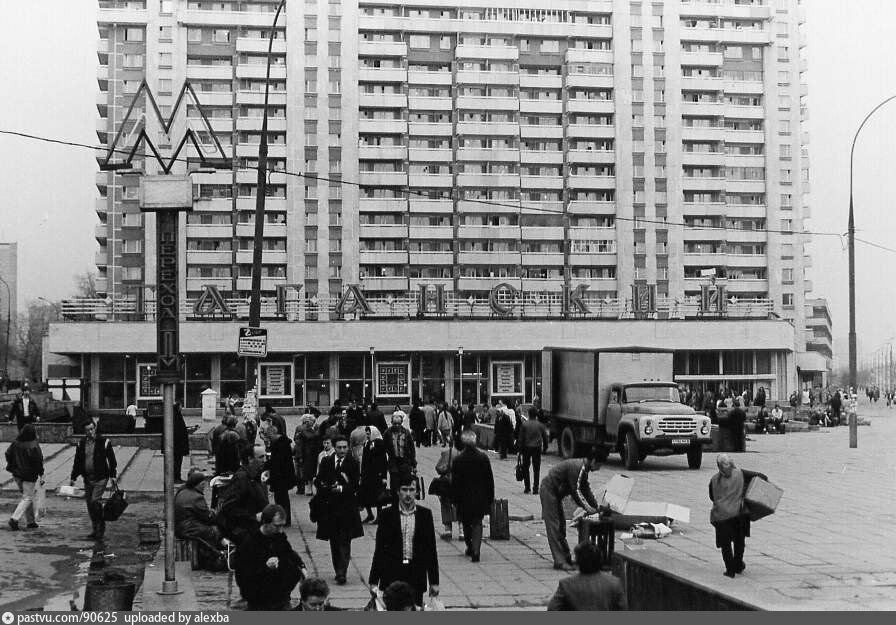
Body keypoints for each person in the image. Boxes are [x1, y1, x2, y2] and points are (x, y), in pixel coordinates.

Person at [368, 475, 439, 608]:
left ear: (417, 492)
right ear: (397, 491)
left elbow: (431, 550)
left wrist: (434, 582)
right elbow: (380, 550)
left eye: (412, 490)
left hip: (416, 574)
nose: (408, 494)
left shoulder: (425, 515)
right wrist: (373, 581)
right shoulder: (387, 515)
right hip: (392, 575)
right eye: (404, 489)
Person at [233, 504, 307, 610]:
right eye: (277, 526)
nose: (280, 530)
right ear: (265, 523)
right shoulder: (249, 543)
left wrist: (301, 566)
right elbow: (244, 575)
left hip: (281, 595)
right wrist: (266, 567)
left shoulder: (279, 537)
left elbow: (289, 553)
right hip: (260, 598)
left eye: (282, 525)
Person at [314, 436, 363, 585]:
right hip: (331, 508)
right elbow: (318, 479)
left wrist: (342, 488)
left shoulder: (353, 463)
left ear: (348, 447)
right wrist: (325, 487)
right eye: (339, 447)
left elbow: (355, 485)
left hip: (347, 508)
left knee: (345, 540)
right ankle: (338, 569)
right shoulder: (327, 461)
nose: (342, 450)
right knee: (334, 541)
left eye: (345, 447)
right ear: (334, 448)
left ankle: (342, 571)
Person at [540, 454, 602, 570]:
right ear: (593, 461)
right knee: (554, 526)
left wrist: (596, 506)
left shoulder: (583, 470)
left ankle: (566, 558)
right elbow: (576, 491)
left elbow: (585, 489)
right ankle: (559, 561)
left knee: (561, 526)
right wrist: (587, 508)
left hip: (556, 494)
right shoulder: (578, 467)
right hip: (549, 490)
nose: (598, 468)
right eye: (599, 465)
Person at [709, 454, 766, 578]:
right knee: (739, 541)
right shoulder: (741, 473)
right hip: (739, 514)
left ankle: (730, 570)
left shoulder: (714, 479)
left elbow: (712, 496)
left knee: (725, 545)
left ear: (719, 467)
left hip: (721, 516)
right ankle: (738, 565)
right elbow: (762, 476)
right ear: (732, 462)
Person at [450, 429, 495, 562]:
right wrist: (490, 497)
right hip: (480, 497)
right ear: (475, 441)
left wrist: (454, 499)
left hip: (464, 498)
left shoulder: (458, 459)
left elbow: (455, 482)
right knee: (477, 522)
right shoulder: (483, 458)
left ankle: (470, 546)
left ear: (463, 442)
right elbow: (489, 480)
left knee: (466, 522)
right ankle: (476, 550)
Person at [69, 420, 118, 540]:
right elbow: (78, 461)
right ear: (84, 431)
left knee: (95, 502)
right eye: (87, 430)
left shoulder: (104, 442)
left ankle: (100, 527)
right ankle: (95, 528)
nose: (90, 432)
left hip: (101, 477)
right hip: (88, 478)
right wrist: (73, 477)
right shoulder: (81, 443)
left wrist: (113, 475)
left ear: (95, 428)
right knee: (90, 506)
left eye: (92, 429)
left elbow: (112, 460)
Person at [547, 541, 627, 611]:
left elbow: (552, 608)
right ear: (600, 560)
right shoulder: (614, 583)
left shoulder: (566, 584)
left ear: (578, 562)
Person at [217, 445, 269, 545]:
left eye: (265, 456)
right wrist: (253, 516)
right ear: (250, 459)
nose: (265, 460)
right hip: (246, 533)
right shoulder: (241, 479)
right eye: (261, 457)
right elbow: (228, 507)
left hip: (257, 530)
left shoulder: (255, 476)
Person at [174, 469, 224, 570]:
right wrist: (216, 513)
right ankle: (212, 558)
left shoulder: (182, 491)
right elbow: (207, 517)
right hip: (189, 528)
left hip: (180, 526)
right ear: (199, 484)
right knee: (214, 531)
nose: (204, 487)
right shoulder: (197, 497)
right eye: (203, 484)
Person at [5, 424, 44, 531]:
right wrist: (41, 473)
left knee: (27, 497)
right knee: (27, 497)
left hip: (17, 474)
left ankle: (31, 521)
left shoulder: (16, 443)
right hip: (29, 475)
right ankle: (14, 518)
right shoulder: (33, 445)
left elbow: (8, 453)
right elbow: (38, 461)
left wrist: (12, 466)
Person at [265, 424, 296, 526]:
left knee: (281, 499)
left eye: (268, 436)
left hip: (281, 476)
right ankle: (284, 518)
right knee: (281, 498)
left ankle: (284, 519)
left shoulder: (280, 444)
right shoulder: (282, 442)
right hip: (282, 475)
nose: (267, 439)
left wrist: (266, 466)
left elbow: (277, 461)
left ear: (273, 433)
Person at [358, 426, 388, 524]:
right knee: (364, 494)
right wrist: (361, 474)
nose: (367, 435)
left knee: (378, 496)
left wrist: (384, 476)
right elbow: (364, 460)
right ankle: (370, 514)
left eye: (369, 433)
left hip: (377, 474)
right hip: (367, 474)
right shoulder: (367, 443)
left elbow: (384, 461)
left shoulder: (380, 443)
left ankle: (379, 516)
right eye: (366, 434)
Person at [517, 408, 549, 494]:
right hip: (537, 448)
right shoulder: (540, 425)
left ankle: (527, 487)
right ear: (536, 415)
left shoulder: (524, 425)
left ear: (528, 414)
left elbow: (521, 438)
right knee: (536, 468)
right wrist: (545, 448)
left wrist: (519, 451)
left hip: (526, 448)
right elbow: (545, 437)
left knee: (526, 467)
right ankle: (535, 488)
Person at [383, 412, 416, 495]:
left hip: (405, 463)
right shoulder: (387, 433)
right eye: (395, 424)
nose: (397, 426)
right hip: (394, 463)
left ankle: (404, 506)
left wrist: (414, 464)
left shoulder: (406, 432)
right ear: (391, 423)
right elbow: (384, 446)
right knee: (394, 488)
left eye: (398, 424)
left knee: (405, 487)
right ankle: (395, 505)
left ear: (401, 423)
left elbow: (412, 449)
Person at [434, 442, 458, 541]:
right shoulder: (467, 453)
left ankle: (448, 530)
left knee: (445, 503)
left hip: (448, 482)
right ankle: (462, 531)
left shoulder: (447, 453)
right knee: (460, 504)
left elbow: (438, 467)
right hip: (461, 482)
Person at [294, 414, 320, 495]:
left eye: (310, 420)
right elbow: (298, 442)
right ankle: (308, 488)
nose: (308, 422)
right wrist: (300, 454)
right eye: (307, 421)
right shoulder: (303, 430)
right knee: (308, 471)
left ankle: (309, 488)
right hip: (307, 453)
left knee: (315, 471)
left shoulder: (317, 428)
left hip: (315, 452)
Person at [170, 401, 190, 483]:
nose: (182, 408)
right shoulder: (176, 417)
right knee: (177, 462)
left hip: (177, 445)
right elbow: (178, 431)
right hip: (177, 445)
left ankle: (177, 476)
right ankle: (176, 477)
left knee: (177, 462)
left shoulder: (175, 416)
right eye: (181, 406)